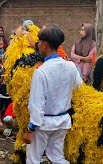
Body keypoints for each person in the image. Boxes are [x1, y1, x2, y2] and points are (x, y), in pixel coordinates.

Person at [22, 26, 82, 164]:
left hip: (44, 124)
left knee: (33, 159)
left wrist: (31, 129)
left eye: (39, 42)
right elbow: (77, 85)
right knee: (56, 157)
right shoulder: (70, 66)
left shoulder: (41, 72)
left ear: (44, 44)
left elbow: (36, 104)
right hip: (63, 121)